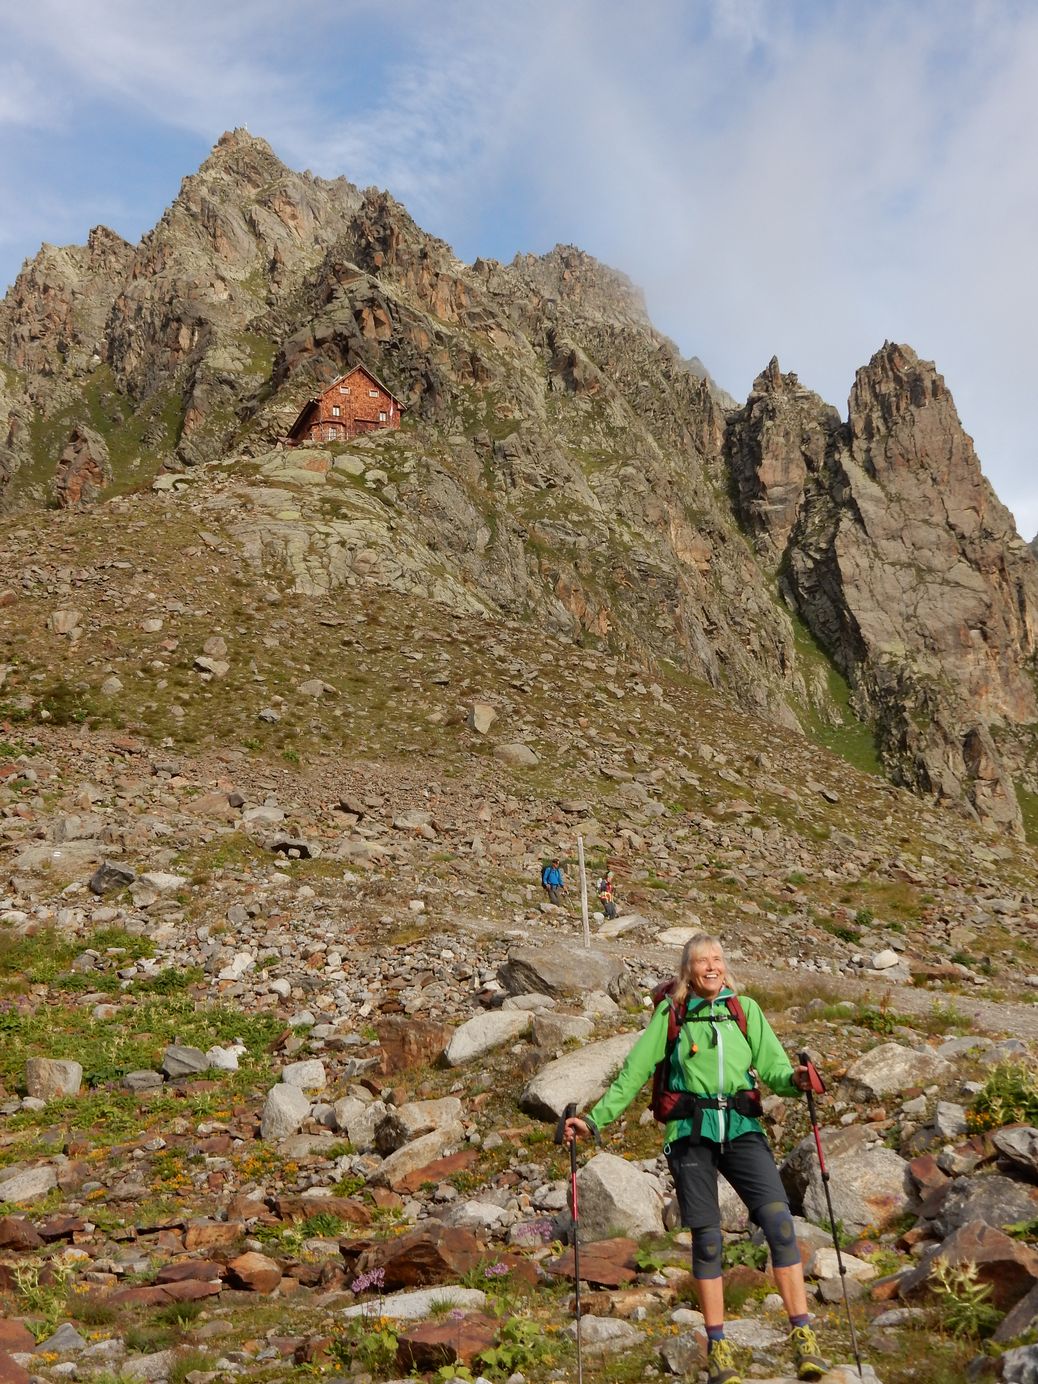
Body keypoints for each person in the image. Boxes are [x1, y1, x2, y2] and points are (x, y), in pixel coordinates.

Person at [564, 933, 830, 1384]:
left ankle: (803, 1336)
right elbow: (635, 1070)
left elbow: (773, 1069)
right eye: (702, 961)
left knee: (780, 1224)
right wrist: (595, 1120)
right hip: (690, 1133)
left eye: (718, 959)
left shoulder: (745, 1010)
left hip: (742, 1128)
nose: (712, 967)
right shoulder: (672, 1014)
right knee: (707, 1239)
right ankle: (718, 1348)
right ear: (687, 970)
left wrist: (797, 1080)